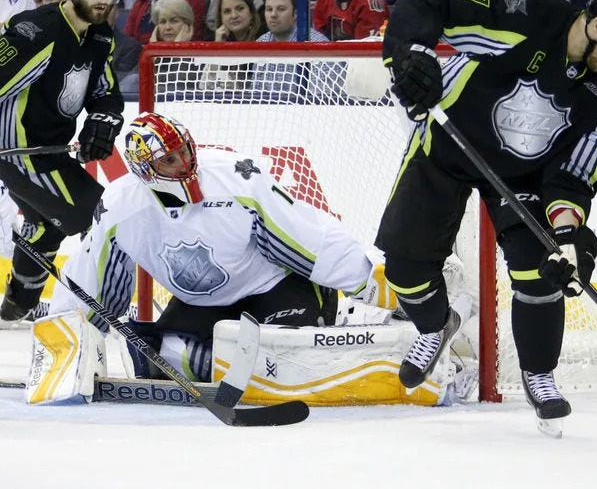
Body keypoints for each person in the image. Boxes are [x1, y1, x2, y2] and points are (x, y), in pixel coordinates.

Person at [376, 0, 597, 427]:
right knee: (405, 268)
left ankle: (539, 374)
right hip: (450, 144)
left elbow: (577, 173)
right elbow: (431, 1)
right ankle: (435, 327)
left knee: (540, 269)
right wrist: (412, 53)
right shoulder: (525, 19)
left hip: (524, 175)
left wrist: (568, 234)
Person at [47, 111, 379, 383]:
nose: (185, 163)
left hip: (278, 289)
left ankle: (319, 351)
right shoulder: (121, 206)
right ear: (145, 171)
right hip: (206, 306)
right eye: (170, 160)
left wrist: (370, 283)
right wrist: (65, 342)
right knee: (160, 360)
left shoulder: (238, 179)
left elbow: (308, 236)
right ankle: (230, 359)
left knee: (282, 354)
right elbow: (92, 278)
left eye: (187, 150)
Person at [0, 0, 124, 322]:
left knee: (47, 224)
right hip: (15, 153)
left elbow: (105, 93)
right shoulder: (37, 32)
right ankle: (101, 312)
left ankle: (16, 306)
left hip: (51, 153)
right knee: (102, 217)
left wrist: (102, 121)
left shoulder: (101, 37)